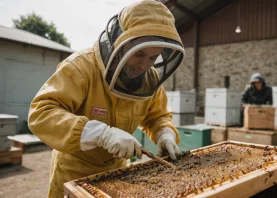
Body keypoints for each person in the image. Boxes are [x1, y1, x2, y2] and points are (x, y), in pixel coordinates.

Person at [27, 1, 185, 197]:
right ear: (120, 40)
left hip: (118, 169)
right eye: (139, 54)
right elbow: (42, 114)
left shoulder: (149, 78)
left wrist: (164, 133)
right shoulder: (81, 66)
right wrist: (100, 134)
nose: (144, 65)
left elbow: (157, 116)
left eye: (153, 58)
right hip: (74, 170)